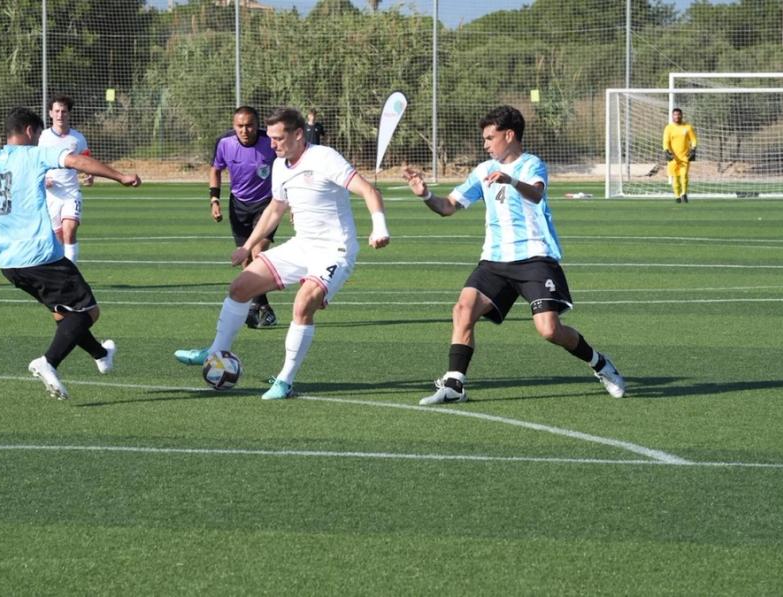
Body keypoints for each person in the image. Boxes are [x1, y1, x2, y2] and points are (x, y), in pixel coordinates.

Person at [402, 105, 625, 405]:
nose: (485, 144)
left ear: (509, 135)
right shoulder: (482, 171)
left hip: (534, 258)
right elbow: (448, 207)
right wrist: (426, 195)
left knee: (549, 330)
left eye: (489, 137)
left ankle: (600, 364)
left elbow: (535, 194)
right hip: (494, 260)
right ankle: (455, 384)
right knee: (463, 309)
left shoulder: (532, 164)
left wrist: (510, 181)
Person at [0, 107, 141, 400]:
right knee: (89, 311)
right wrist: (121, 177)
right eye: (38, 134)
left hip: (8, 262)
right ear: (29, 131)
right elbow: (76, 161)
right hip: (40, 255)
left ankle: (101, 354)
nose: (39, 139)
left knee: (63, 314)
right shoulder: (34, 155)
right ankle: (48, 362)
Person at [175, 107, 390, 400]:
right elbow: (275, 209)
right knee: (240, 288)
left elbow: (369, 191)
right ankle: (214, 352)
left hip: (334, 251)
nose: (272, 143)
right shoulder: (279, 165)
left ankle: (285, 381)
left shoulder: (324, 158)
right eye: (271, 138)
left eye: (278, 138)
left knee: (303, 304)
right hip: (301, 246)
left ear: (298, 135)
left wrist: (379, 228)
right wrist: (247, 246)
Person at [209, 106, 279, 328]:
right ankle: (262, 305)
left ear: (257, 125)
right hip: (238, 204)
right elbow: (215, 169)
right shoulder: (224, 143)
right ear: (234, 126)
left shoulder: (270, 141)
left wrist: (293, 203)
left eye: (249, 125)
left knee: (258, 251)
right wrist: (214, 200)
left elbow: (288, 165)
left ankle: (261, 307)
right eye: (240, 126)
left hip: (268, 203)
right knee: (246, 260)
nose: (245, 130)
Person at [38, 94, 92, 262]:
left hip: (71, 193)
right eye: (57, 111)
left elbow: (86, 160)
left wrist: (89, 175)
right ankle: (63, 270)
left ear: (69, 114)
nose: (60, 115)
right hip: (50, 195)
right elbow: (35, 163)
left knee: (69, 231)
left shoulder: (78, 138)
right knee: (59, 238)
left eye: (64, 111)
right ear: (50, 113)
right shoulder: (42, 138)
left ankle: (72, 274)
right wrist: (42, 180)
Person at [663, 107, 697, 203]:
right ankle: (677, 196)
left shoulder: (687, 127)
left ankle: (684, 193)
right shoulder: (668, 128)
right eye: (675, 115)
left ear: (681, 115)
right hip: (673, 157)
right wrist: (666, 151)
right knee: (675, 177)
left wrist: (694, 149)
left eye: (678, 114)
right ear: (672, 116)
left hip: (684, 156)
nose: (677, 116)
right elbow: (665, 141)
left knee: (684, 175)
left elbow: (693, 139)